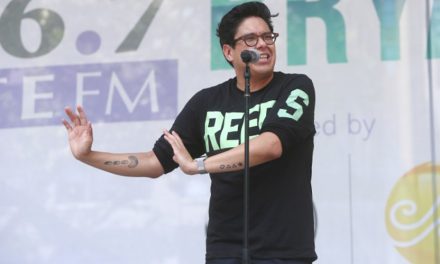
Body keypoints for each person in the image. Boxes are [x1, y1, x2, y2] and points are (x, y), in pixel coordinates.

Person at [63, 2, 317, 263]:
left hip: (285, 251)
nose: (263, 45)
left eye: (267, 37)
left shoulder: (295, 87)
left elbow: (271, 146)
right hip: (225, 249)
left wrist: (199, 165)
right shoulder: (207, 103)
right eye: (251, 38)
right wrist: (88, 156)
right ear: (229, 52)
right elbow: (155, 162)